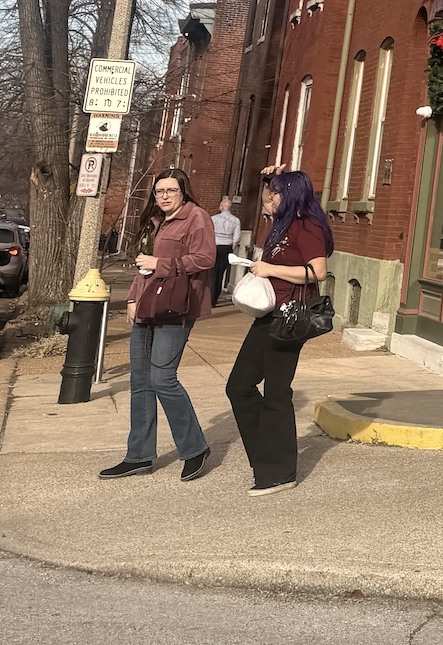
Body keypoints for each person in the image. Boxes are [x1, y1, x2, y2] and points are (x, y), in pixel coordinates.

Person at [100, 169, 214, 483]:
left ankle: (195, 449)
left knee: (162, 378)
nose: (164, 196)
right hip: (147, 306)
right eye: (159, 191)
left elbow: (205, 258)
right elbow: (144, 267)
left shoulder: (197, 218)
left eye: (170, 190)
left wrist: (161, 264)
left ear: (183, 192)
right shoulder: (156, 221)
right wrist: (133, 297)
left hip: (176, 309)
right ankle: (138, 456)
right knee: (141, 381)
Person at [226, 170, 332, 495]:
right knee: (239, 386)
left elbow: (318, 271)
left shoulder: (307, 226)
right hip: (269, 314)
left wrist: (270, 269)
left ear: (292, 194)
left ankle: (279, 472)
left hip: (290, 317)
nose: (270, 198)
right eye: (270, 193)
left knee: (276, 391)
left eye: (276, 192)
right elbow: (266, 201)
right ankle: (267, 455)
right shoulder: (280, 225)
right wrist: (265, 180)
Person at [210, 196, 241, 302]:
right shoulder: (236, 220)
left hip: (215, 245)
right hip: (227, 247)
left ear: (221, 206)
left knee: (212, 272)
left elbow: (209, 233)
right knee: (221, 273)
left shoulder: (213, 218)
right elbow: (236, 237)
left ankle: (210, 297)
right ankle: (215, 297)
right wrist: (232, 246)